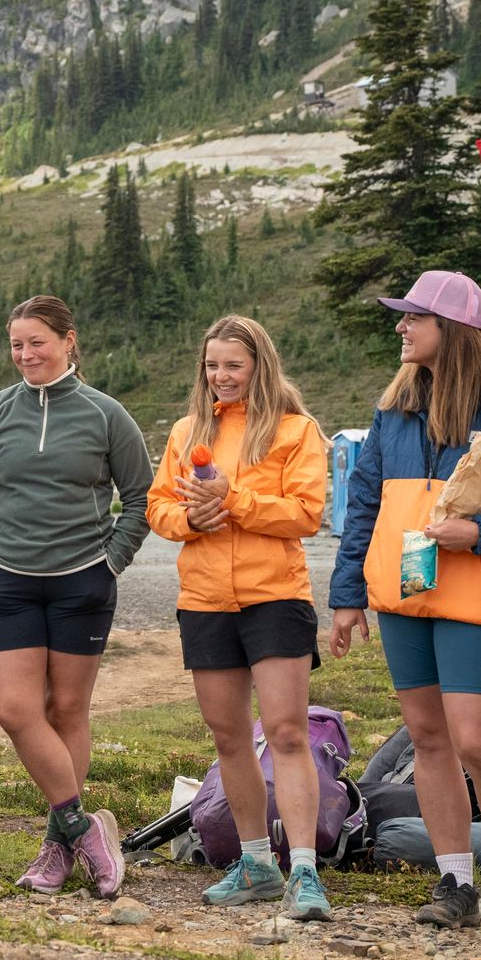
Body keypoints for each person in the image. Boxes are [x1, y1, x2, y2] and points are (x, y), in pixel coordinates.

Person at [328, 271, 481, 931]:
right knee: (428, 738)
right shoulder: (393, 405)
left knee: (475, 740)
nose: (401, 327)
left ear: (452, 330)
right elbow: (364, 503)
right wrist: (348, 596)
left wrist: (479, 533)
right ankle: (455, 882)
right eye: (401, 318)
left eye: (413, 318)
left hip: (472, 594)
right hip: (406, 590)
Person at [0, 295, 152, 899]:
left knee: (67, 711)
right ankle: (86, 829)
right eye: (16, 344)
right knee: (16, 711)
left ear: (69, 341)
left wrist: (110, 561)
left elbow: (140, 498)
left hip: (82, 583)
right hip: (7, 581)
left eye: (37, 341)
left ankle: (55, 849)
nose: (25, 354)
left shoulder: (106, 414)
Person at [147, 315, 331, 919]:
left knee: (285, 734)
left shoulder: (296, 430)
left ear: (260, 366)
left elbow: (305, 513)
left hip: (275, 595)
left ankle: (304, 869)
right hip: (204, 599)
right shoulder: (185, 430)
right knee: (230, 738)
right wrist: (190, 520)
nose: (220, 376)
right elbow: (159, 508)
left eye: (233, 365)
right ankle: (257, 865)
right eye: (212, 365)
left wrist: (233, 500)